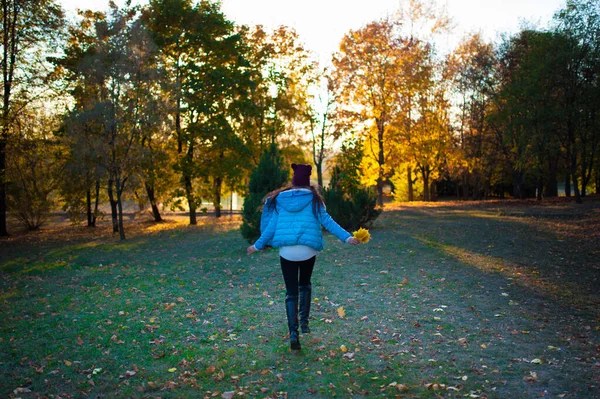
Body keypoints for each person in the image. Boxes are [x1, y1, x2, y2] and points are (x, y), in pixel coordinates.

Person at [247, 163, 359, 350]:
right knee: (305, 284)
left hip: (287, 253)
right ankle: (304, 322)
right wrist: (347, 238)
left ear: (293, 181)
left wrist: (257, 246)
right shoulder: (314, 200)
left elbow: (271, 228)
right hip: (308, 251)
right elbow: (328, 222)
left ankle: (293, 333)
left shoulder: (280, 201)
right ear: (307, 181)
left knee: (291, 293)